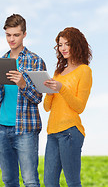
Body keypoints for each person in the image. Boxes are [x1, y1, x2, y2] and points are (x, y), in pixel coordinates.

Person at [0, 14, 46, 187]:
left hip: (26, 129)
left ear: (24, 34)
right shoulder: (2, 61)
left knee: (30, 181)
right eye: (8, 35)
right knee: (9, 180)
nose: (11, 39)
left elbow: (38, 98)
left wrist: (22, 84)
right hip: (2, 128)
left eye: (16, 35)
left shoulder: (36, 61)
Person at [43, 27, 92, 187]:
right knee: (49, 182)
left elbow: (79, 107)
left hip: (70, 132)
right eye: (60, 45)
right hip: (52, 133)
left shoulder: (84, 71)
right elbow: (46, 107)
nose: (62, 48)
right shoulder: (58, 72)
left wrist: (61, 88)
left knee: (72, 182)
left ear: (76, 45)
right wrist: (50, 92)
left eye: (67, 44)